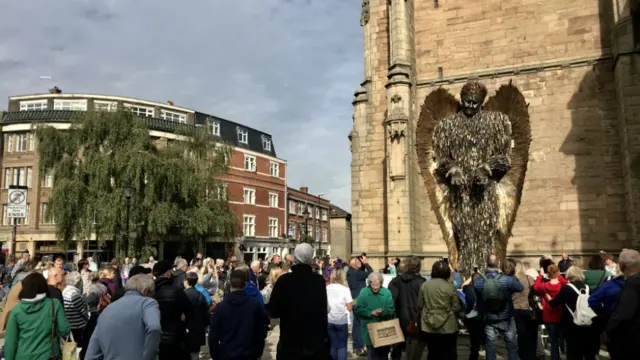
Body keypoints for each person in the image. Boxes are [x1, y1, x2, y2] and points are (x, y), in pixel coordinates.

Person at [269, 243, 329, 359]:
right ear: (310, 258)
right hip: (313, 343)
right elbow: (323, 310)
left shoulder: (284, 280)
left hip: (290, 342)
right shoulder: (318, 280)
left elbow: (274, 310)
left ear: (295, 257)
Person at [84, 274, 162, 360]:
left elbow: (91, 354)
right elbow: (154, 327)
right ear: (147, 291)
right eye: (152, 293)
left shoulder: (107, 310)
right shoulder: (147, 303)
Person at [4, 272, 71, 360]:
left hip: (23, 356)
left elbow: (10, 342)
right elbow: (64, 330)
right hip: (49, 356)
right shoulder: (54, 304)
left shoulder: (17, 310)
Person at [474, 255, 524, 360]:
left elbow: (479, 298)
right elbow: (520, 288)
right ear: (499, 264)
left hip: (489, 318)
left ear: (486, 264)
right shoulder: (508, 280)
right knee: (512, 346)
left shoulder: (478, 281)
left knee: (490, 346)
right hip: (507, 318)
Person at [209, 269, 266, 360]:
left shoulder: (220, 308)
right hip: (248, 353)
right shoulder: (254, 305)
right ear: (244, 284)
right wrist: (258, 351)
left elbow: (213, 335)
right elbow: (261, 330)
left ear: (230, 285)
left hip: (227, 353)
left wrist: (215, 355)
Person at [549, 265, 599, 359]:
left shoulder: (566, 288)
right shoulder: (588, 288)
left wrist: (548, 298)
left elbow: (554, 303)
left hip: (572, 325)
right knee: (589, 352)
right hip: (588, 324)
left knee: (574, 353)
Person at [418, 260, 459, 360]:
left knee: (433, 353)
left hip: (429, 325)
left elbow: (420, 304)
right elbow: (456, 307)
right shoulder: (450, 286)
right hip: (448, 326)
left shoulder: (425, 285)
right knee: (449, 353)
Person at [153, 259, 194, 360]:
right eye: (171, 270)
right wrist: (182, 321)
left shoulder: (150, 291)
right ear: (168, 272)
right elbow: (190, 311)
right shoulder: (176, 291)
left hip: (155, 338)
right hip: (175, 337)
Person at [387, 257, 426, 360]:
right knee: (414, 346)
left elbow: (391, 297)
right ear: (418, 268)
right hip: (415, 318)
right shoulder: (422, 282)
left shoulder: (396, 281)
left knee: (397, 345)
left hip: (400, 316)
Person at [605, 248, 640, 359]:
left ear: (623, 265)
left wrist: (608, 330)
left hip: (631, 341)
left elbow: (622, 314)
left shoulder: (632, 284)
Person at [354, 272, 395, 360]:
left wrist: (382, 312)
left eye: (378, 285)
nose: (375, 287)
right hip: (369, 330)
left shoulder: (387, 292)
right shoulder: (364, 292)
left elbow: (391, 309)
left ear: (381, 283)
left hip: (384, 330)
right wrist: (370, 313)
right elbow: (358, 309)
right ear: (369, 283)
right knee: (372, 356)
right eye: (373, 285)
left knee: (384, 356)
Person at [346, 255, 373, 356]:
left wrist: (361, 264)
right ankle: (360, 347)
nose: (360, 263)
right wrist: (366, 263)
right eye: (358, 262)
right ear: (354, 264)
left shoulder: (350, 272)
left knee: (356, 325)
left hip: (354, 301)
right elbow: (371, 274)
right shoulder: (357, 273)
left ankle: (357, 347)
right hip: (360, 301)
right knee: (361, 325)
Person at [511, 260, 538, 360]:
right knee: (531, 335)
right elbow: (536, 291)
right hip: (529, 309)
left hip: (516, 309)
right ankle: (531, 356)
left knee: (520, 335)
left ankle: (522, 355)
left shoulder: (512, 279)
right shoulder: (529, 278)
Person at [326, 266, 353, 360]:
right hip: (341, 320)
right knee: (342, 346)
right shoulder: (345, 289)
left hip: (329, 319)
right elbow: (349, 307)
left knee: (332, 345)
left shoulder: (327, 288)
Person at [184, 272, 209, 360]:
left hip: (184, 329)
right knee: (195, 354)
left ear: (186, 281)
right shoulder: (201, 295)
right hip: (198, 328)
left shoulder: (182, 295)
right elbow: (206, 313)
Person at [62, 271, 89, 344]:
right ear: (78, 281)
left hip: (70, 324)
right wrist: (88, 319)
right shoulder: (74, 294)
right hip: (77, 326)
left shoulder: (65, 291)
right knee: (79, 346)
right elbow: (82, 311)